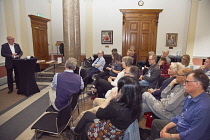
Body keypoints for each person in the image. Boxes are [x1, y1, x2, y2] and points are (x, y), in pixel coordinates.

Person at [73, 76, 142, 140]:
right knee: (87, 114)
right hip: (117, 131)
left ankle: (75, 134)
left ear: (123, 92)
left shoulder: (117, 107)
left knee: (86, 125)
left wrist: (109, 98)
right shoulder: (135, 106)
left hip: (108, 133)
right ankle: (76, 133)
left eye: (118, 87)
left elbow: (99, 114)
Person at [150, 69, 210, 140]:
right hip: (181, 128)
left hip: (187, 136)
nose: (184, 84)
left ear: (197, 84)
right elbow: (180, 117)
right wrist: (166, 127)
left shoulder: (204, 107)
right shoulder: (189, 97)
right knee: (156, 123)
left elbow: (192, 135)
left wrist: (170, 136)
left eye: (187, 82)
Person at [73, 65, 140, 126]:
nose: (123, 74)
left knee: (83, 114)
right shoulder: (133, 88)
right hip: (112, 103)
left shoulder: (124, 91)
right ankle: (95, 122)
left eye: (125, 73)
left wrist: (109, 98)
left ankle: (73, 129)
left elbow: (111, 105)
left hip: (110, 104)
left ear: (131, 75)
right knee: (96, 99)